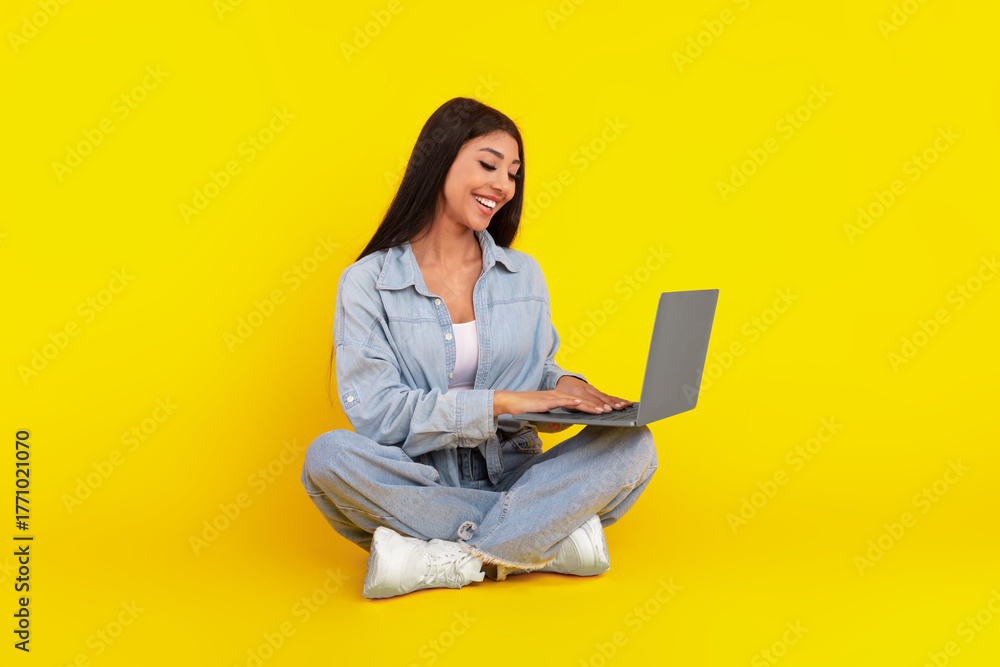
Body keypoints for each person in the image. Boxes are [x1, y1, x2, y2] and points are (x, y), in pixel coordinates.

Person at [300, 97, 657, 599]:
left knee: (634, 446)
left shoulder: (523, 274)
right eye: (488, 164)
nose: (503, 186)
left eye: (512, 173)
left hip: (515, 469)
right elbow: (378, 415)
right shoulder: (367, 282)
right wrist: (501, 403)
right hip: (423, 479)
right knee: (328, 456)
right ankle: (545, 540)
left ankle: (440, 559)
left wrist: (567, 389)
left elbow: (540, 369)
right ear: (439, 160)